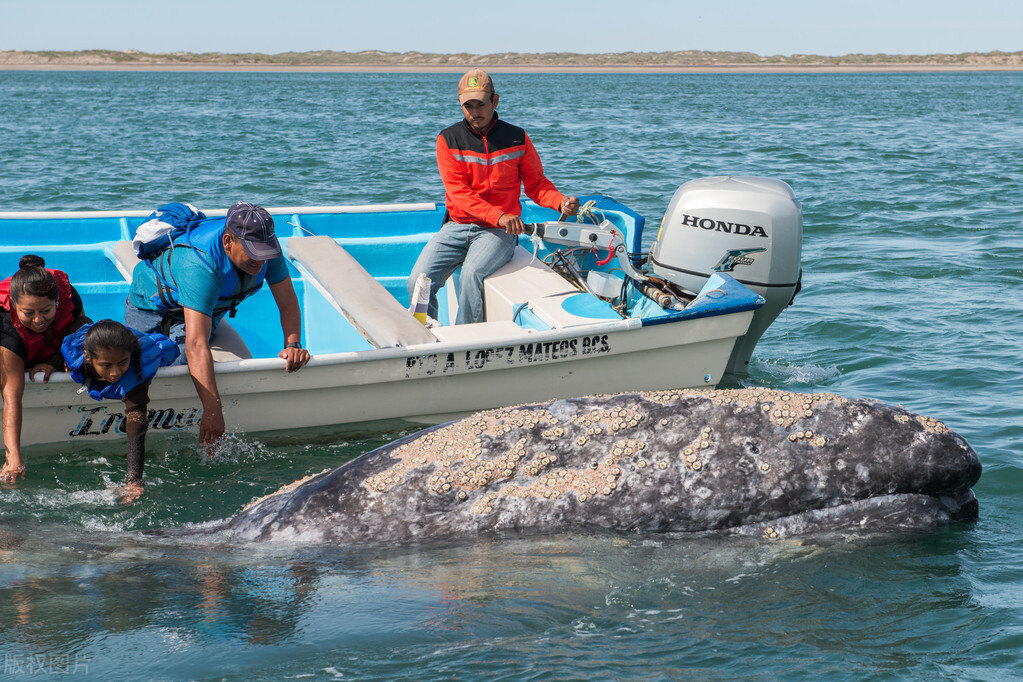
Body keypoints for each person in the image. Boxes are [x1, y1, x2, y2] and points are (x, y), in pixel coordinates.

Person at [124, 202, 311, 452]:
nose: (261, 260)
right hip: (153, 311)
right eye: (253, 252)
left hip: (207, 312)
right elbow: (195, 344)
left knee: (205, 365)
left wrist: (293, 344)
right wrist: (213, 411)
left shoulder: (266, 248)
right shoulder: (199, 264)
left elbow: (288, 303)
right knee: (168, 367)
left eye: (265, 252)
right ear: (227, 241)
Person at [408, 68, 580, 325]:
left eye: (481, 104)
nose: (474, 112)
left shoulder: (517, 137)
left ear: (495, 101)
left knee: (472, 275)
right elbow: (459, 194)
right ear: (460, 105)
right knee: (418, 280)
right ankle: (423, 335)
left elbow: (536, 184)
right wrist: (500, 216)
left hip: (499, 232)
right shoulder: (448, 139)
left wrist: (560, 202)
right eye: (468, 106)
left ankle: (467, 339)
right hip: (457, 226)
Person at [61, 320, 179, 502]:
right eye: (106, 366)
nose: (115, 372)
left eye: (122, 363)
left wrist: (133, 481)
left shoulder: (135, 373)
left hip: (160, 350)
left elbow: (136, 428)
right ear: (87, 357)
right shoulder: (76, 350)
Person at [1, 255, 91, 481]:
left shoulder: (69, 296)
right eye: (28, 313)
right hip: (11, 355)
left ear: (57, 302)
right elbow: (11, 397)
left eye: (46, 310)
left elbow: (77, 332)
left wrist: (54, 362)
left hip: (46, 351)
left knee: (88, 333)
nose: (38, 319)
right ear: (14, 305)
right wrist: (13, 458)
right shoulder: (7, 327)